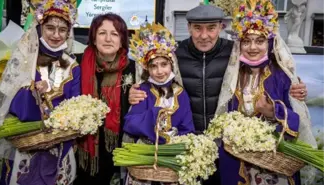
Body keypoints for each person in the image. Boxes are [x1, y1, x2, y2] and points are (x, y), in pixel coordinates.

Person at [128, 4, 308, 185]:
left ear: (221, 27)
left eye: (211, 28)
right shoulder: (174, 56)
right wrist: (134, 93)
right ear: (189, 27)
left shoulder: (235, 53)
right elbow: (151, 78)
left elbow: (267, 66)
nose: (204, 35)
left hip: (226, 148)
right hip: (189, 148)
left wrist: (295, 88)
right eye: (197, 28)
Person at [214, 0, 317, 184]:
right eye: (247, 41)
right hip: (238, 163)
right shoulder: (232, 77)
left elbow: (297, 121)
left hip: (274, 164)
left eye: (259, 41)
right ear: (240, 44)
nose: (253, 47)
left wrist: (273, 112)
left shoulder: (282, 77)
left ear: (269, 43)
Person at [0, 0, 80, 184]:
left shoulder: (72, 66)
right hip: (24, 146)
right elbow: (9, 101)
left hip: (58, 147)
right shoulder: (25, 59)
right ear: (40, 27)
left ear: (68, 32)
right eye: (50, 28)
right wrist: (32, 91)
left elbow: (75, 106)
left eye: (62, 30)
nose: (56, 35)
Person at [122, 23, 195, 185]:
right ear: (147, 68)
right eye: (153, 66)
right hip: (145, 157)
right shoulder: (142, 90)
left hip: (172, 158)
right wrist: (154, 116)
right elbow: (130, 123)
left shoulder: (181, 93)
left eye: (164, 64)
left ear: (172, 65)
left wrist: (175, 144)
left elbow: (188, 128)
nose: (159, 71)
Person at [74, 13, 135, 185]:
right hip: (81, 149)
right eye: (102, 33)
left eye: (115, 34)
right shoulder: (75, 63)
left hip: (118, 150)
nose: (108, 39)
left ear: (122, 40)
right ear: (93, 38)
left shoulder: (134, 70)